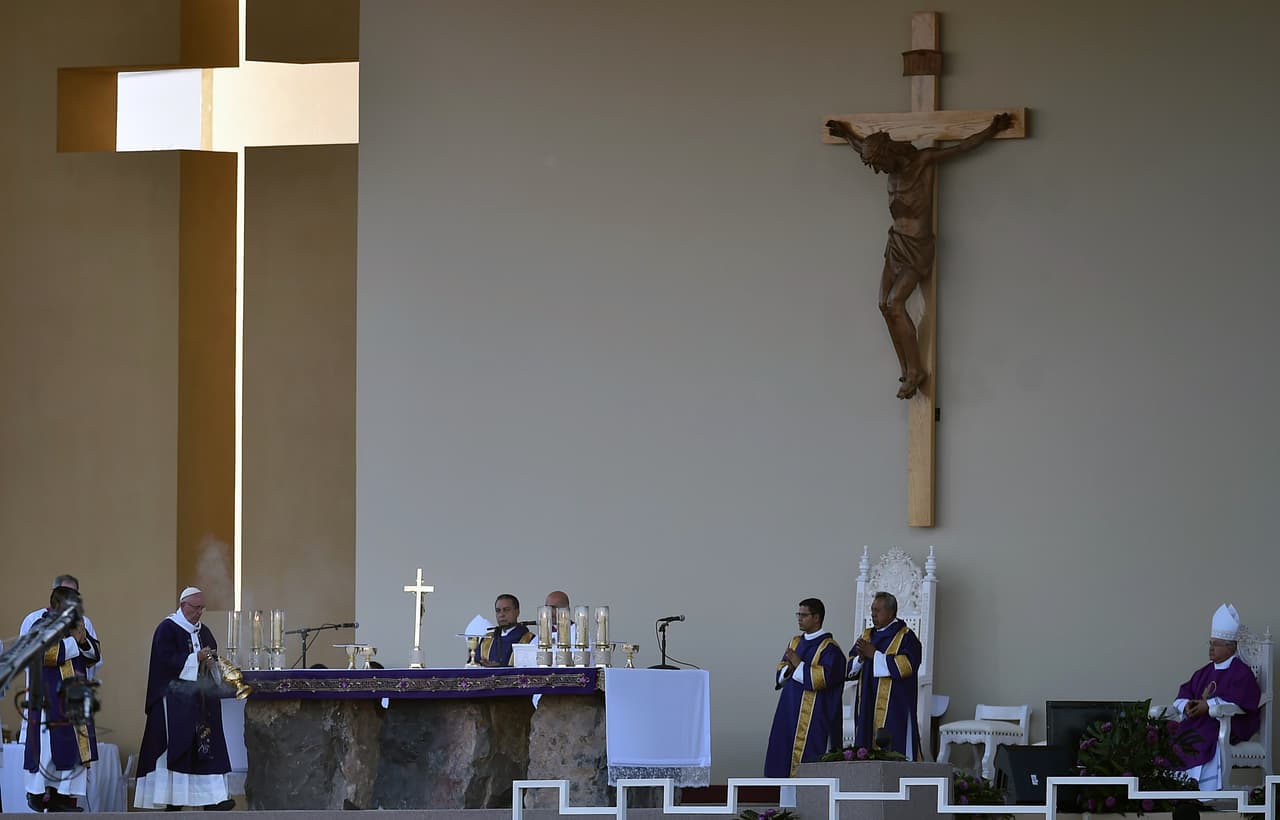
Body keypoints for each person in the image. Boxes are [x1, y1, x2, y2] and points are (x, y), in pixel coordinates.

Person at [826, 113, 1013, 399]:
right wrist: (845, 134)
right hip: (896, 242)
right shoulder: (887, 167)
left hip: (917, 244)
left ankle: (916, 371)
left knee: (895, 302)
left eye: (879, 163)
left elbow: (962, 147)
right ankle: (906, 369)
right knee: (882, 304)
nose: (879, 170)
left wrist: (992, 129)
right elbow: (860, 145)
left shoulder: (922, 161)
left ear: (889, 153)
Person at [133, 587, 235, 811]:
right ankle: (173, 799)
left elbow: (214, 661)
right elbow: (165, 662)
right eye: (195, 608)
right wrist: (194, 658)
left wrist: (211, 665)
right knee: (178, 748)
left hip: (201, 702)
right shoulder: (167, 629)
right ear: (182, 606)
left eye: (202, 608)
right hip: (174, 702)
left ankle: (213, 799)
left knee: (208, 748)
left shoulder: (204, 631)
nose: (199, 612)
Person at [23, 585, 100, 813]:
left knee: (73, 749)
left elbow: (94, 655)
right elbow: (43, 654)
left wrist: (83, 640)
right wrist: (74, 641)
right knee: (48, 750)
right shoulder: (41, 624)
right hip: (50, 699)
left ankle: (64, 797)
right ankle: (38, 794)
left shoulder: (77, 624)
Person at [1171, 603, 1262, 792]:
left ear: (1230, 647)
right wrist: (1188, 705)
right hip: (1200, 723)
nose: (1211, 648)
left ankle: (1198, 791)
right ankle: (1176, 789)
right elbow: (1186, 690)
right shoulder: (1204, 672)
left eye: (1216, 644)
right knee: (1173, 737)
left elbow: (1244, 697)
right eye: (1210, 643)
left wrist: (1209, 706)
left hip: (1228, 725)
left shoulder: (1240, 672)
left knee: (1198, 738)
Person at [764, 598, 846, 777]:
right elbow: (781, 670)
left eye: (804, 615)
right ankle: (786, 804)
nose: (799, 619)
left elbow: (824, 678)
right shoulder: (795, 642)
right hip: (790, 708)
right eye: (798, 615)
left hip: (815, 715)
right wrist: (788, 669)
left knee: (810, 762)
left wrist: (799, 665)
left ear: (816, 618)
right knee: (784, 756)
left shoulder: (830, 649)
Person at [846, 591, 922, 759]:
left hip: (895, 705)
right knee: (866, 742)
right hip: (867, 701)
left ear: (891, 613)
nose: (873, 614)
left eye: (877, 610)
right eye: (872, 609)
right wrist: (860, 658)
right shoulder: (867, 635)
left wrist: (875, 655)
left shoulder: (906, 637)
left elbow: (906, 666)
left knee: (893, 749)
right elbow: (849, 668)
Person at [477, 594, 534, 667]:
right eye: (498, 611)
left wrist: (500, 668)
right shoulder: (487, 639)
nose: (501, 614)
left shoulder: (529, 640)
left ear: (517, 612)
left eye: (506, 610)